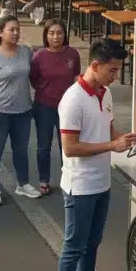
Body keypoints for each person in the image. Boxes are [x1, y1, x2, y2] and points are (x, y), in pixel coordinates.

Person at [55, 38, 136, 271]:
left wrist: (125, 139)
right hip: (80, 185)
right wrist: (111, 145)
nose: (116, 76)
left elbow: (109, 129)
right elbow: (71, 148)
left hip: (101, 181)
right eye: (113, 70)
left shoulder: (105, 94)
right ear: (95, 65)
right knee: (73, 247)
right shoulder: (73, 100)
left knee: (92, 243)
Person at [0, 16, 41, 206]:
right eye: (11, 30)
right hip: (0, 112)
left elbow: (34, 77)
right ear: (0, 32)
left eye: (17, 29)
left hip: (23, 111)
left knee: (21, 150)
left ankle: (23, 184)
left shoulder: (25, 52)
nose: (15, 33)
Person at [30, 19, 80, 196]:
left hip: (68, 109)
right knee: (43, 146)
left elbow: (76, 79)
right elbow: (34, 79)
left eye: (59, 33)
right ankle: (44, 180)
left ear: (65, 34)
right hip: (44, 106)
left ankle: (68, 179)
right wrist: (46, 92)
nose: (56, 36)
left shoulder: (73, 54)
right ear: (46, 36)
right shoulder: (39, 56)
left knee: (66, 146)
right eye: (51, 33)